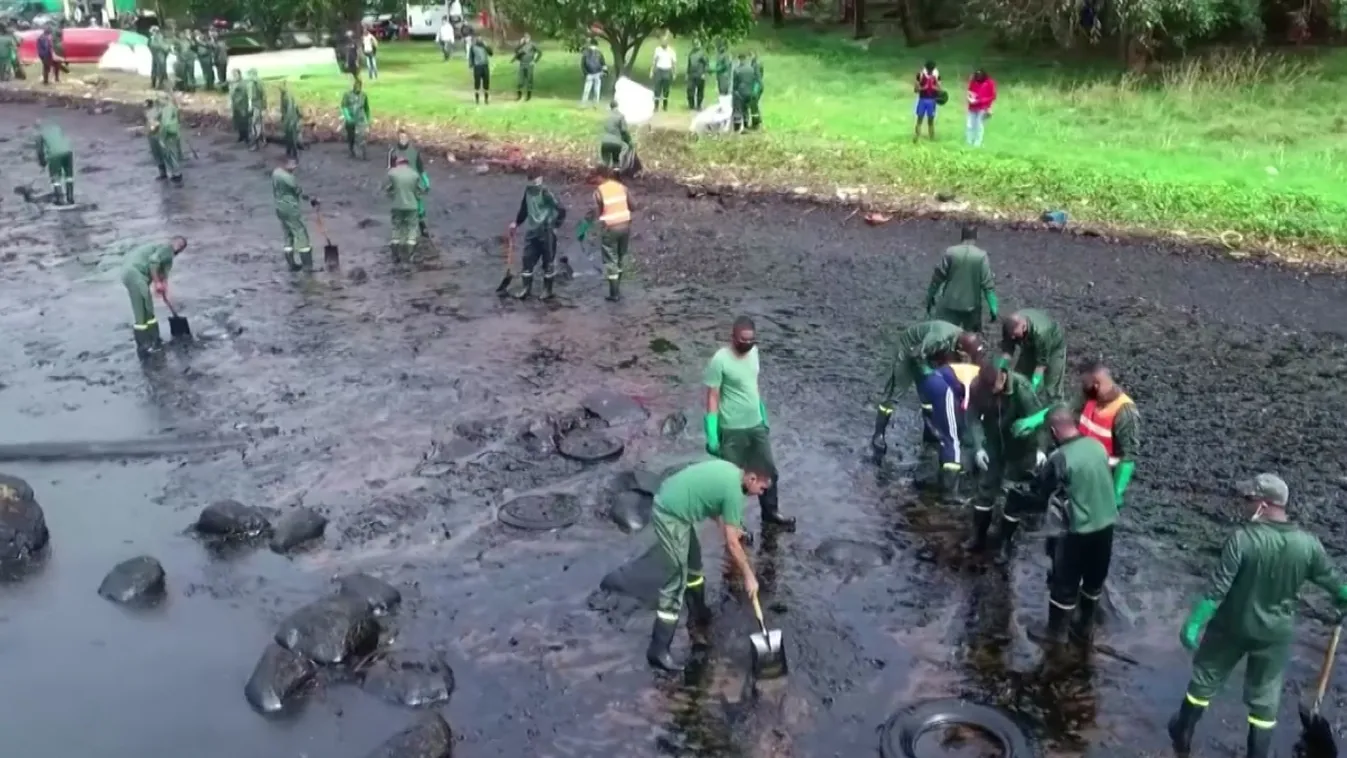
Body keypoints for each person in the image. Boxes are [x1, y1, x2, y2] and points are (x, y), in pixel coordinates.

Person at [1167, 474, 1347, 758]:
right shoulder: (1308, 545)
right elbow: (1335, 584)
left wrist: (1193, 623)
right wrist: (1342, 599)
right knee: (1265, 697)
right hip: (1275, 633)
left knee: (1206, 677)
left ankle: (1183, 731)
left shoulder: (1242, 540)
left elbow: (1217, 590)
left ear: (1265, 504)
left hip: (1232, 627)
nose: (1244, 505)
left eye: (1249, 500)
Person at [646, 459, 771, 672]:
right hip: (669, 514)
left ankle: (699, 611)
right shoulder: (733, 492)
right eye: (761, 488)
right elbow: (732, 543)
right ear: (751, 479)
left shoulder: (732, 473)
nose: (761, 493)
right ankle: (658, 650)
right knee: (677, 579)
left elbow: (709, 500)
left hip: (677, 508)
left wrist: (725, 524)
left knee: (694, 565)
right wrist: (749, 576)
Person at [1024, 407, 1117, 644]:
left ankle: (1055, 633)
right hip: (1106, 524)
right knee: (1094, 580)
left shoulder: (1059, 457)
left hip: (1078, 530)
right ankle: (1084, 627)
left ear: (1054, 431)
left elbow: (1042, 491)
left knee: (1064, 582)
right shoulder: (1097, 446)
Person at [704, 317, 797, 530]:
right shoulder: (720, 360)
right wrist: (711, 432)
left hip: (755, 425)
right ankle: (736, 524)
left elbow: (752, 385)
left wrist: (762, 414)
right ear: (733, 337)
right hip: (731, 428)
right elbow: (712, 396)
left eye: (751, 341)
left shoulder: (754, 353)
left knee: (768, 472)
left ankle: (770, 512)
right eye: (743, 340)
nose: (747, 344)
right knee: (734, 481)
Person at [1012, 360, 1141, 509]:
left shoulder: (1124, 412)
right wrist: (1033, 421)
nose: (1081, 389)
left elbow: (1128, 457)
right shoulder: (1089, 395)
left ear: (1096, 384)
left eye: (1084, 384)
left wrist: (1115, 495)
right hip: (1080, 463)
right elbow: (1064, 410)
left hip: (1100, 474)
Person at [965, 365, 1047, 556]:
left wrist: (1040, 450)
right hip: (993, 442)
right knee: (985, 487)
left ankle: (1005, 543)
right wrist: (978, 447)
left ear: (1003, 376)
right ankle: (978, 537)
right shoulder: (978, 386)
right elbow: (972, 417)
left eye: (995, 386)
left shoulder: (1022, 388)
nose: (992, 391)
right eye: (988, 388)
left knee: (1015, 494)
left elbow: (1040, 419)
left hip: (1021, 445)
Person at [870, 320, 981, 459]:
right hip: (909, 350)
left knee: (929, 392)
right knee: (897, 390)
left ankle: (929, 431)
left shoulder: (962, 341)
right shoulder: (938, 338)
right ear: (959, 349)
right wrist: (926, 370)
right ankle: (878, 434)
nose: (966, 361)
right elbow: (916, 354)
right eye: (965, 358)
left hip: (929, 354)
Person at [120, 237, 187, 356]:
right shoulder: (167, 249)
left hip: (132, 274)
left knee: (148, 307)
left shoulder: (166, 257)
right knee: (141, 308)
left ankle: (154, 339)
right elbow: (153, 261)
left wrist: (164, 291)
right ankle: (144, 344)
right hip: (134, 273)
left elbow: (163, 276)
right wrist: (156, 283)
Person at [925, 224, 997, 333]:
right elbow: (988, 286)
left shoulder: (950, 252)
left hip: (949, 304)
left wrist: (930, 297)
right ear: (976, 237)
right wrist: (993, 309)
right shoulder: (981, 256)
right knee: (970, 341)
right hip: (972, 307)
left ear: (961, 236)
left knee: (944, 337)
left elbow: (937, 278)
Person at [577, 166, 634, 301]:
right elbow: (633, 206)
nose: (594, 181)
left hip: (611, 228)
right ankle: (618, 290)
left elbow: (595, 212)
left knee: (610, 259)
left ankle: (614, 294)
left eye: (595, 177)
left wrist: (582, 230)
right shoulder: (622, 187)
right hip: (625, 226)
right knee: (620, 256)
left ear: (601, 176)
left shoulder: (599, 191)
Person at [508, 170, 566, 300]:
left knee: (548, 261)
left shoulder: (545, 192)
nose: (534, 183)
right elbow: (524, 209)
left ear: (540, 179)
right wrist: (516, 223)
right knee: (527, 259)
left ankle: (547, 290)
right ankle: (526, 288)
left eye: (536, 180)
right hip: (532, 230)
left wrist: (556, 225)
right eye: (532, 180)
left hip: (546, 231)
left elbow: (561, 208)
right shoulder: (528, 192)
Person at [999, 309, 1067, 402]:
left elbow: (1041, 365)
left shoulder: (1042, 333)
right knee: (1020, 375)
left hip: (1053, 346)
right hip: (1029, 343)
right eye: (1011, 335)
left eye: (1015, 335)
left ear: (1024, 327)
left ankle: (1054, 408)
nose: (1013, 338)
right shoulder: (1009, 327)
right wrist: (1001, 371)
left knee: (1051, 385)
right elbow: (1007, 351)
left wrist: (1033, 387)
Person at [272, 158, 318, 272]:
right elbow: (299, 191)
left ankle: (291, 264)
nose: (295, 169)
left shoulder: (275, 173)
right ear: (289, 165)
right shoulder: (288, 178)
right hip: (290, 208)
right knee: (300, 232)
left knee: (288, 234)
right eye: (294, 166)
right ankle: (308, 266)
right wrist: (311, 199)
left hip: (279, 207)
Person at [387, 130, 430, 237]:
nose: (403, 140)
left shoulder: (414, 152)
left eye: (405, 137)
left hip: (414, 183)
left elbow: (421, 169)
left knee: (419, 207)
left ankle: (422, 228)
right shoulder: (393, 153)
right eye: (401, 137)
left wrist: (426, 181)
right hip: (400, 183)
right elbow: (390, 170)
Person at [384, 156, 425, 262]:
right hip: (412, 206)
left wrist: (393, 195)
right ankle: (410, 254)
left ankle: (395, 253)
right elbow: (419, 191)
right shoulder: (414, 174)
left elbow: (388, 189)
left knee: (397, 226)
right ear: (407, 163)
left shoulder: (392, 173)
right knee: (412, 227)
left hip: (397, 205)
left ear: (398, 163)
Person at [34, 120, 74, 206]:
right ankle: (70, 198)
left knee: (55, 177)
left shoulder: (39, 134)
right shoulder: (56, 128)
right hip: (68, 152)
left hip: (54, 155)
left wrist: (42, 162)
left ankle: (60, 199)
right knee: (69, 176)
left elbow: (40, 151)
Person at [150, 94, 183, 185]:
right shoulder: (165, 108)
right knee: (167, 153)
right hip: (167, 133)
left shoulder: (168, 108)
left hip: (169, 134)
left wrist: (161, 136)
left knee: (170, 154)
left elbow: (166, 124)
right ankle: (172, 173)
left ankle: (176, 174)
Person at [340, 78, 371, 159]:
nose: (357, 88)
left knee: (361, 136)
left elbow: (366, 108)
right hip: (350, 119)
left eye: (359, 86)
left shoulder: (364, 95)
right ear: (353, 86)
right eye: (356, 86)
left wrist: (368, 120)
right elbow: (344, 106)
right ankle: (351, 151)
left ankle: (364, 154)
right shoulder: (347, 95)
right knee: (351, 137)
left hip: (360, 120)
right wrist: (348, 117)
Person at [966, 68, 996, 147]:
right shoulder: (973, 81)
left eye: (980, 76)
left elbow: (993, 96)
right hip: (972, 107)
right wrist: (970, 97)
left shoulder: (989, 83)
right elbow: (969, 91)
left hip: (983, 107)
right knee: (969, 125)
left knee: (979, 125)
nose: (978, 78)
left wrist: (981, 101)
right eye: (977, 76)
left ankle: (977, 143)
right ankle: (969, 142)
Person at [599, 100, 632, 170]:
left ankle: (603, 172)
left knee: (605, 163)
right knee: (624, 148)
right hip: (616, 143)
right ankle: (618, 167)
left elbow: (604, 127)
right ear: (617, 106)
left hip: (604, 142)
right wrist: (629, 140)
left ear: (610, 107)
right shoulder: (621, 116)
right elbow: (624, 130)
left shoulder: (606, 115)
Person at [913, 60, 941, 142]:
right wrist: (923, 88)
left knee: (931, 120)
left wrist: (933, 87)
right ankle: (916, 137)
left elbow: (940, 89)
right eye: (929, 70)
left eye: (931, 70)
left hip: (932, 100)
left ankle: (932, 138)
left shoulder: (936, 75)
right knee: (919, 119)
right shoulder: (920, 75)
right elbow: (915, 90)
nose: (930, 71)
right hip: (922, 100)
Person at [731, 53, 759, 133]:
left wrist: (735, 92)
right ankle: (746, 126)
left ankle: (737, 129)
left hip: (740, 93)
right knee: (746, 109)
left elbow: (735, 84)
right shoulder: (751, 69)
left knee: (738, 110)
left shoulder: (737, 70)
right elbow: (755, 80)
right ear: (746, 59)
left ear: (739, 59)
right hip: (750, 92)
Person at [650, 37, 676, 112]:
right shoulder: (657, 50)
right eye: (662, 41)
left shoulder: (671, 51)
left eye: (665, 41)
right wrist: (651, 71)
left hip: (667, 70)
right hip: (659, 70)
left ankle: (665, 106)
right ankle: (656, 106)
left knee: (666, 90)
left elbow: (674, 63)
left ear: (667, 42)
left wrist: (674, 73)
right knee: (657, 89)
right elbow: (654, 61)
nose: (663, 43)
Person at [513, 33, 540, 101]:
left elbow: (540, 52)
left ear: (529, 38)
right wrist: (520, 44)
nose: (526, 39)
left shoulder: (532, 44)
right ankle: (519, 95)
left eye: (527, 38)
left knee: (529, 80)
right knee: (520, 80)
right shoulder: (522, 45)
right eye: (525, 38)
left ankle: (528, 96)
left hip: (529, 64)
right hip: (522, 64)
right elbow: (515, 50)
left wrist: (534, 61)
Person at [579, 37, 605, 106]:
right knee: (597, 90)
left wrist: (585, 73)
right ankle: (595, 104)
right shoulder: (599, 53)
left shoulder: (586, 53)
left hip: (589, 74)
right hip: (597, 73)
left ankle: (583, 104)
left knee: (587, 90)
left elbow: (582, 64)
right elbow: (603, 63)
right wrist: (603, 72)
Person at [280, 81, 302, 160]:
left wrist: (287, 121)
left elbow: (289, 110)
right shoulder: (286, 95)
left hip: (290, 119)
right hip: (291, 118)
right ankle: (289, 151)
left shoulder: (286, 97)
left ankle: (294, 154)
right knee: (289, 136)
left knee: (291, 137)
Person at [468, 34, 493, 104]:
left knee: (486, 83)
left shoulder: (484, 46)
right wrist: (471, 65)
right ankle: (477, 100)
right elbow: (471, 57)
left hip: (485, 66)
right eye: (478, 38)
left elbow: (491, 54)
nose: (479, 39)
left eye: (480, 38)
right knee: (477, 83)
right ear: (476, 39)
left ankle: (486, 99)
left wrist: (487, 46)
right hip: (477, 66)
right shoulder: (473, 47)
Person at [246, 68, 266, 150]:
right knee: (258, 123)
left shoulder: (256, 83)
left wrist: (263, 105)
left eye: (249, 74)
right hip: (255, 105)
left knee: (255, 123)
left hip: (256, 105)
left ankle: (256, 143)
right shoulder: (253, 83)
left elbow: (259, 95)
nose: (248, 76)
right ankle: (262, 140)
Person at [685, 39, 708, 110]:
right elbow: (689, 65)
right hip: (692, 75)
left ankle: (699, 105)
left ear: (700, 44)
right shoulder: (691, 53)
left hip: (700, 74)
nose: (696, 45)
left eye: (697, 43)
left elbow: (706, 64)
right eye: (695, 44)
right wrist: (687, 74)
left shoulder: (702, 53)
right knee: (690, 90)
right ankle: (691, 105)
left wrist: (704, 73)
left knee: (700, 91)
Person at [228, 70, 249, 142]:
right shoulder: (232, 84)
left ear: (239, 75)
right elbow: (231, 94)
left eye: (236, 75)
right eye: (233, 75)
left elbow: (244, 94)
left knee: (243, 121)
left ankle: (246, 136)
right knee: (237, 121)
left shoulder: (243, 83)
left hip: (242, 105)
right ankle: (241, 135)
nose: (234, 76)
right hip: (235, 105)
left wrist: (239, 100)